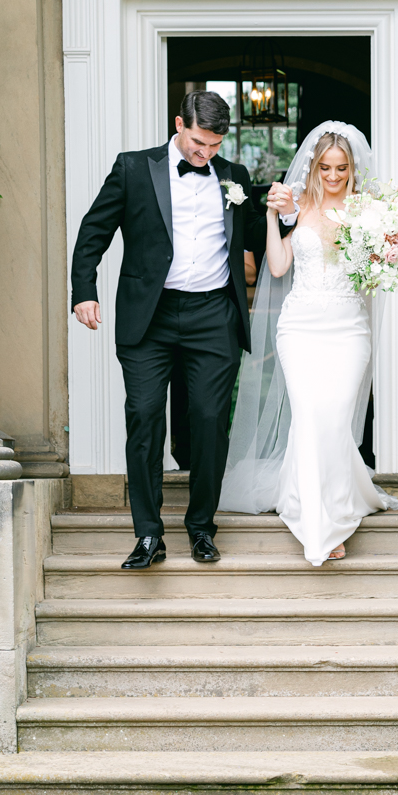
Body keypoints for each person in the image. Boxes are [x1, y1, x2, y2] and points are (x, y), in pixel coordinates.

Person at [70, 91, 266, 569]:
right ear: (179, 123)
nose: (207, 154)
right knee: (144, 417)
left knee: (208, 422)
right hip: (149, 318)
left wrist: (287, 208)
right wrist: (84, 290)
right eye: (199, 142)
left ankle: (201, 526)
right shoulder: (134, 168)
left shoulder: (234, 177)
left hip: (213, 317)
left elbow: (258, 235)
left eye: (215, 146)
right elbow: (94, 230)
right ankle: (148, 536)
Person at [220, 121, 398, 564]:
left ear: (353, 168)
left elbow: (378, 275)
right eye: (326, 167)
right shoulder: (296, 205)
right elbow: (278, 266)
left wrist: (394, 254)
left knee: (335, 420)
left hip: (347, 329)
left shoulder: (369, 212)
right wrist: (267, 216)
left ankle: (336, 507)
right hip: (299, 329)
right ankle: (322, 526)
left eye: (341, 168)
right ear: (315, 167)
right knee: (309, 415)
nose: (334, 176)